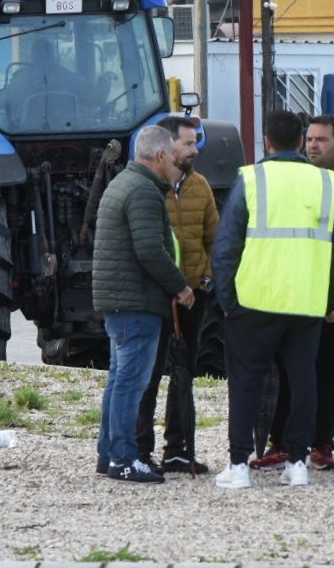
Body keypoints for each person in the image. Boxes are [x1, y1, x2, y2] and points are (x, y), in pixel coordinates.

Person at [211, 109, 334, 490]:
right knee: (304, 382)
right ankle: (298, 462)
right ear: (302, 141)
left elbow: (225, 247)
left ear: (266, 141)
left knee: (245, 383)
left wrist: (227, 298)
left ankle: (239, 464)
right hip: (306, 301)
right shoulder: (327, 183)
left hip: (254, 299)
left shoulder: (252, 178)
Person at [252, 114, 334, 472]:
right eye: (309, 139)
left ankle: (322, 443)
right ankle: (281, 443)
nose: (312, 145)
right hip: (302, 290)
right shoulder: (301, 178)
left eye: (321, 140)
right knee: (291, 372)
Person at [92, 124, 195, 484]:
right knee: (130, 384)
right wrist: (180, 286)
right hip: (136, 303)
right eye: (173, 156)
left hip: (118, 303)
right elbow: (150, 249)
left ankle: (108, 456)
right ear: (162, 155)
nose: (175, 163)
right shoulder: (144, 192)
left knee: (118, 379)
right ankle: (123, 458)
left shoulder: (121, 184)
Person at [134, 115, 219, 475]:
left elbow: (214, 239)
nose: (195, 150)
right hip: (157, 298)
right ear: (167, 149)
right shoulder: (148, 188)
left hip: (193, 296)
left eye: (195, 142)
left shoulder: (201, 186)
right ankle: (139, 450)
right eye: (187, 144)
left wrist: (208, 279)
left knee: (184, 373)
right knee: (148, 375)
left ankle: (178, 450)